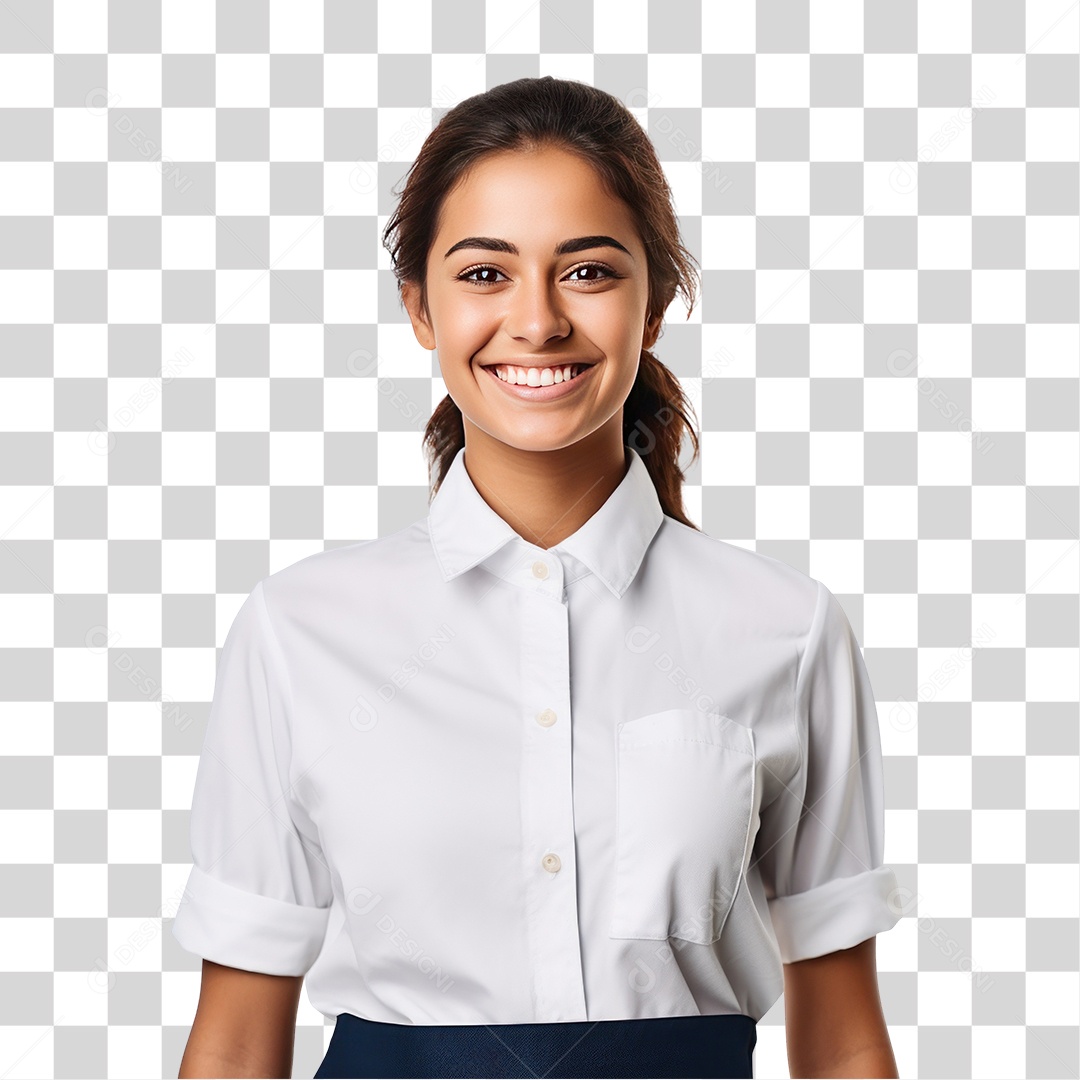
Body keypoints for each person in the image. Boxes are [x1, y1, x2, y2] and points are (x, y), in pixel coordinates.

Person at [173, 76, 902, 1079]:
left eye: (589, 271)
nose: (538, 321)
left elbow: (844, 1035)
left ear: (655, 305)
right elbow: (236, 1037)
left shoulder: (785, 629)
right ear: (419, 308)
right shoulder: (298, 630)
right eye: (485, 273)